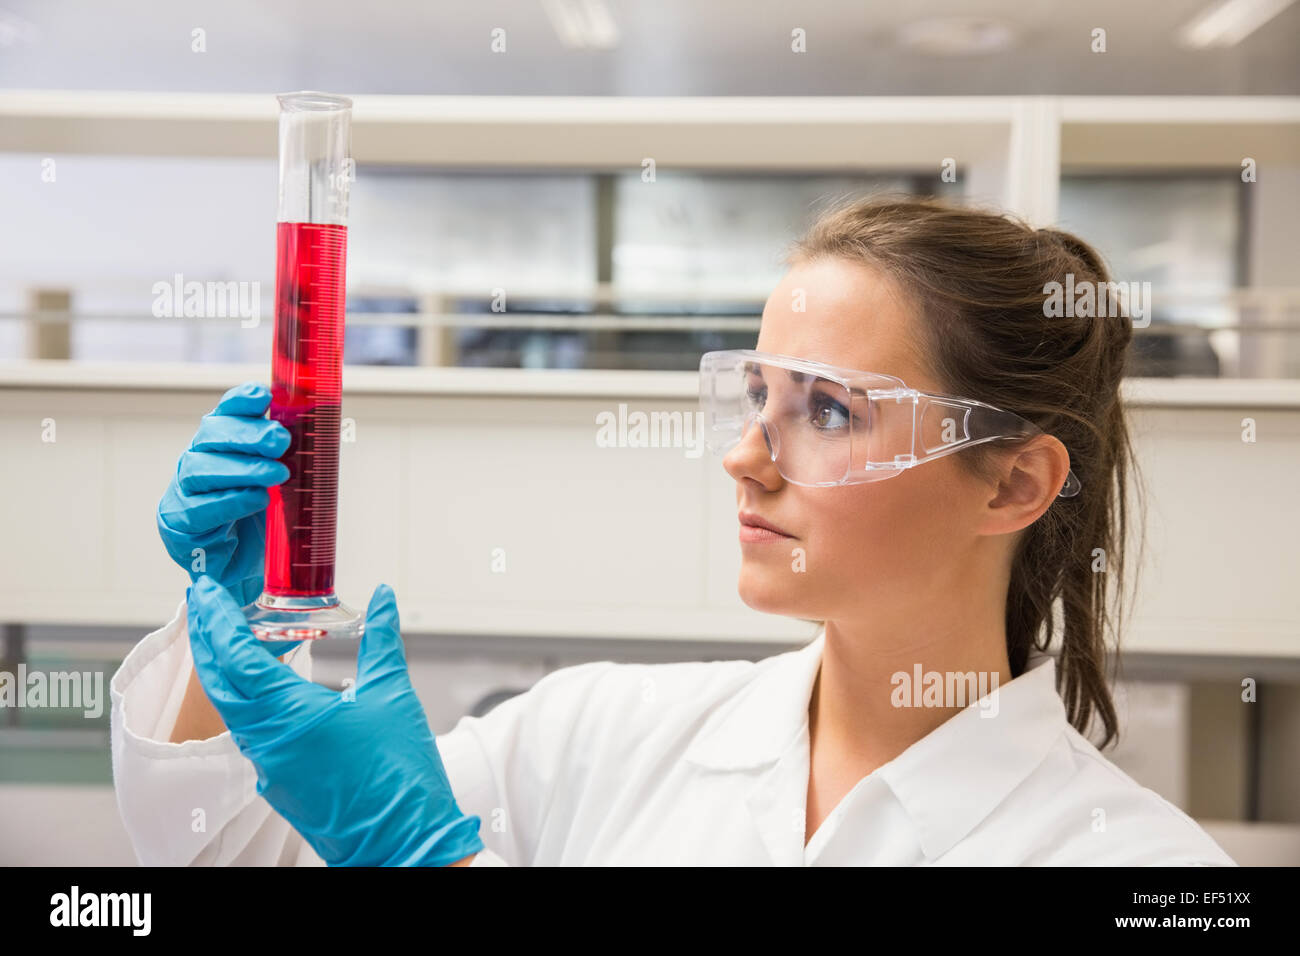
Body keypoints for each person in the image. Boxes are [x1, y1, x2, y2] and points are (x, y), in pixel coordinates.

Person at [110, 196, 1235, 866]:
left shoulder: (1138, 867)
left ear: (1012, 485)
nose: (748, 454)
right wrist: (236, 626)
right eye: (757, 396)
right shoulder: (599, 735)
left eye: (829, 410)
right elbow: (230, 853)